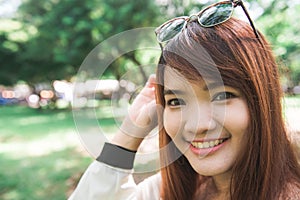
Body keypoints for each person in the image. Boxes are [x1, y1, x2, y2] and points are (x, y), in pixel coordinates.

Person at [69, 0, 300, 199]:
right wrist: (130, 132)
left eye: (222, 95)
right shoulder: (171, 191)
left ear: (261, 99)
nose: (197, 125)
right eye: (176, 101)